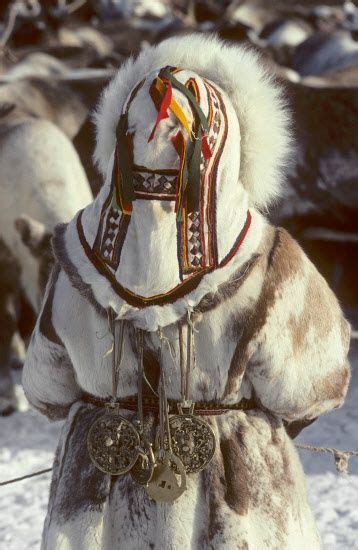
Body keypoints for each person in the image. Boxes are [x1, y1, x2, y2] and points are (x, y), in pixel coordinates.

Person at [23, 34, 350, 549]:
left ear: (118, 146)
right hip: (236, 514)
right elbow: (312, 386)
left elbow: (45, 388)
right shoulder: (269, 261)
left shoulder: (75, 255)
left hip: (99, 516)